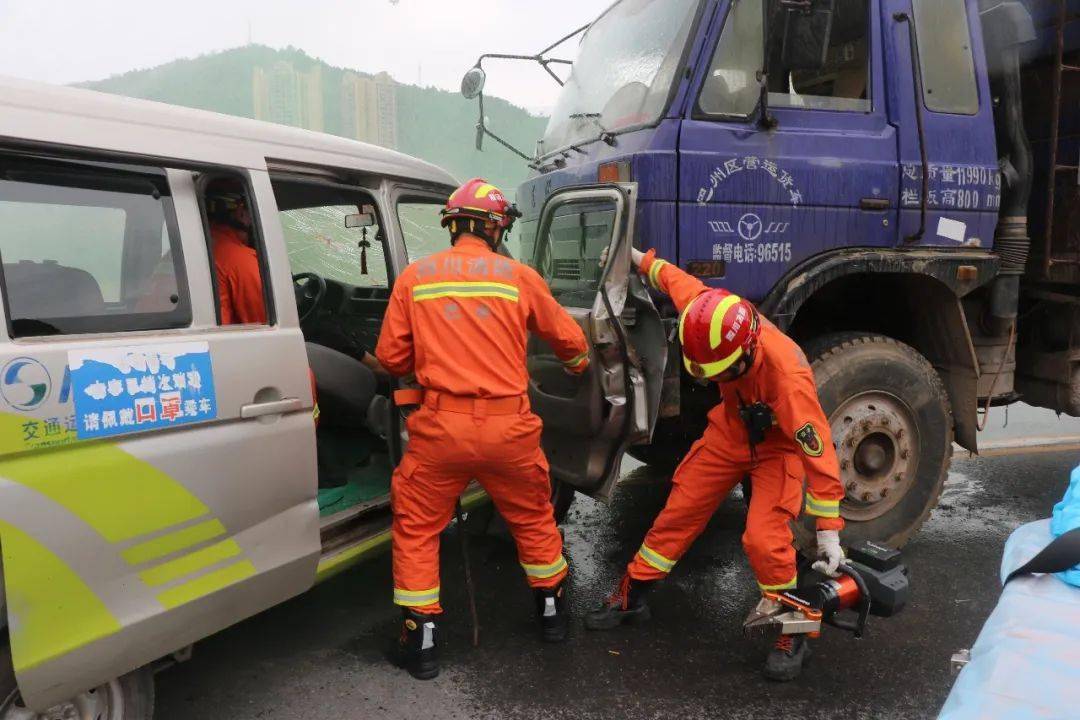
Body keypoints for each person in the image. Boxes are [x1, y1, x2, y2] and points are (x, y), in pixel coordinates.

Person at [585, 248, 846, 682]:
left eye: (721, 373)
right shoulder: (711, 315)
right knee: (679, 510)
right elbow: (673, 279)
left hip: (775, 450)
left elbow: (819, 455)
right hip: (729, 431)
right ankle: (633, 594)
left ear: (746, 353)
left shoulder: (787, 379)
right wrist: (637, 258)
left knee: (764, 540)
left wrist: (828, 532)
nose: (713, 379)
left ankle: (792, 628)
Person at [375, 178, 591, 680]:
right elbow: (571, 342)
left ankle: (420, 638)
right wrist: (579, 367)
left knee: (418, 527)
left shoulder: (415, 278)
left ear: (453, 226)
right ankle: (553, 613)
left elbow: (391, 357)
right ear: (495, 227)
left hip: (440, 430)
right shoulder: (519, 277)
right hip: (508, 429)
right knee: (533, 518)